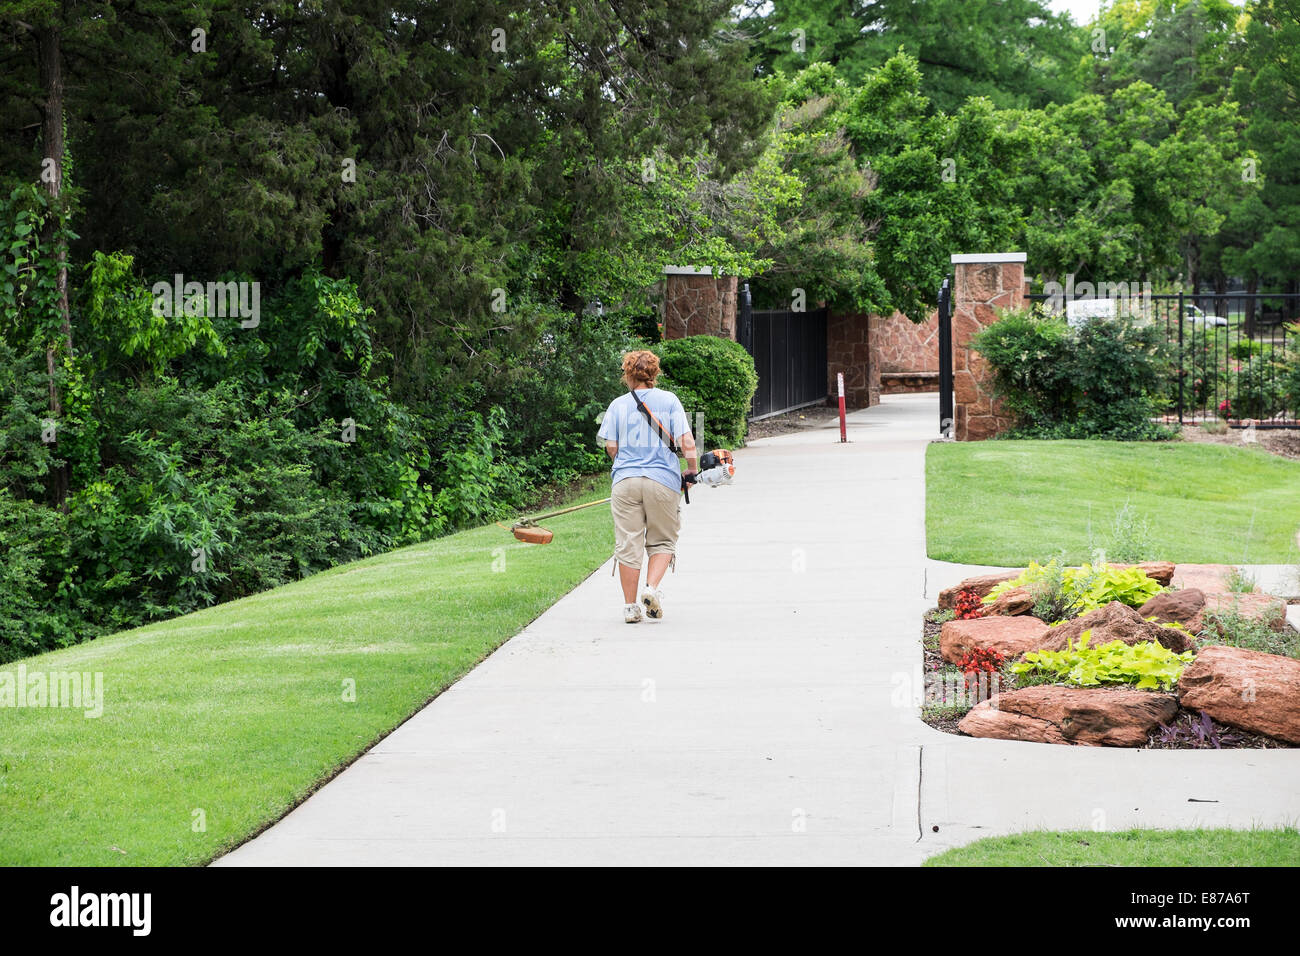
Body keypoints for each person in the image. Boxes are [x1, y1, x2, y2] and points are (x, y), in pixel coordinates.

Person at [596, 350, 698, 623]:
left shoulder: (617, 405)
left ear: (628, 374)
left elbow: (611, 446)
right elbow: (686, 441)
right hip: (662, 481)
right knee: (663, 539)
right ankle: (651, 589)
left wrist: (627, 465)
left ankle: (630, 608)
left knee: (628, 543)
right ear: (655, 374)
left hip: (625, 484)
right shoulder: (669, 401)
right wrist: (691, 469)